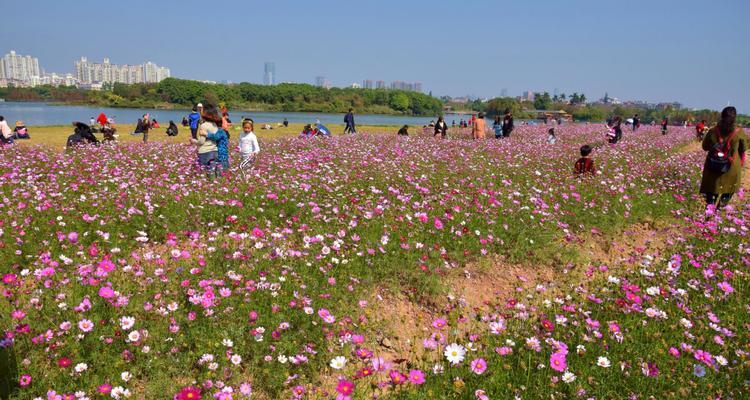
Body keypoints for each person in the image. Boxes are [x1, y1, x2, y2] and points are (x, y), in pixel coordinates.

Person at [699, 106, 747, 208]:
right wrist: (741, 162)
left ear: (722, 116)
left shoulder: (713, 131)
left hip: (713, 167)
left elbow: (705, 147)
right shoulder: (739, 132)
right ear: (735, 118)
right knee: (728, 191)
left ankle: (709, 214)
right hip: (731, 167)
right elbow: (743, 150)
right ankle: (719, 210)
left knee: (711, 194)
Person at [190, 104, 220, 178]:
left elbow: (201, 142)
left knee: (203, 172)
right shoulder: (215, 125)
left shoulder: (204, 125)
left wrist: (193, 140)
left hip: (205, 152)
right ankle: (214, 185)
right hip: (215, 151)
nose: (200, 112)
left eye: (202, 111)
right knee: (212, 172)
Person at [201, 106, 230, 173]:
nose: (227, 124)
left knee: (221, 170)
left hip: (221, 154)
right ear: (220, 124)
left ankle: (221, 178)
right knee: (221, 168)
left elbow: (215, 137)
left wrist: (205, 134)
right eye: (225, 122)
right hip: (222, 154)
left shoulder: (221, 131)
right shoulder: (221, 130)